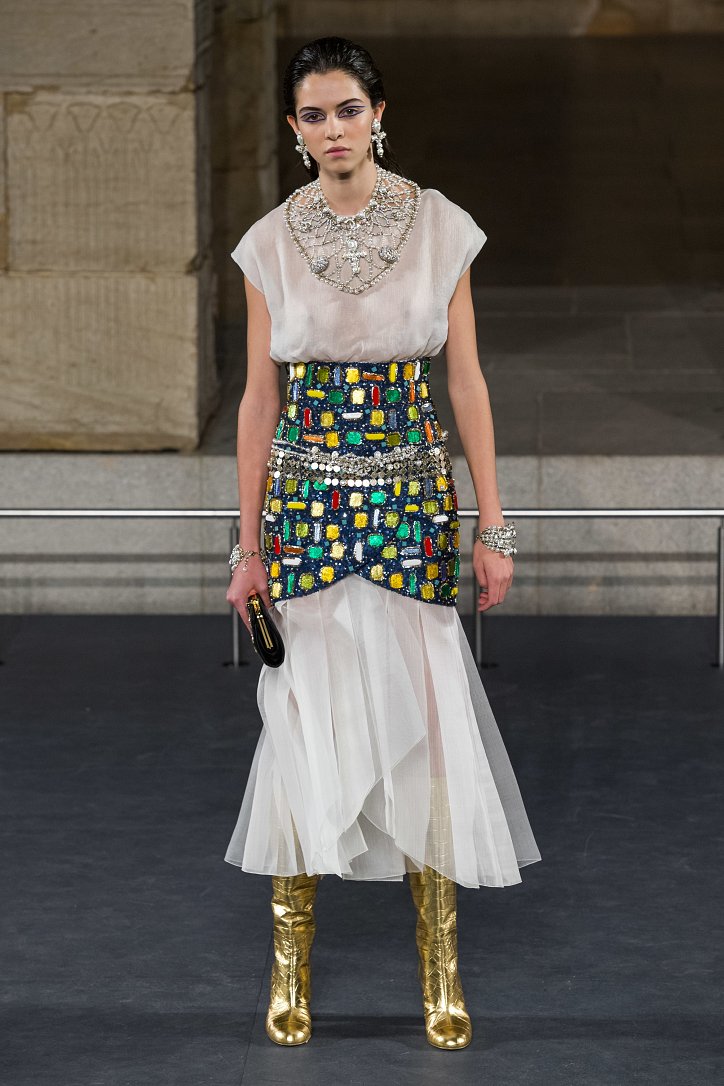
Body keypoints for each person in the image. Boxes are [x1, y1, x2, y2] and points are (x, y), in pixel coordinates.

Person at [224, 36, 541, 1051]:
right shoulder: (268, 243)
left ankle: (441, 971)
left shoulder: (441, 226)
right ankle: (290, 965)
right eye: (314, 115)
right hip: (306, 510)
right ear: (293, 128)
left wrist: (493, 524)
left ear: (378, 113)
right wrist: (246, 548)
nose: (333, 130)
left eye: (348, 110)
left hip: (411, 503)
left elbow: (466, 382)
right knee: (302, 728)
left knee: (430, 727)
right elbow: (258, 401)